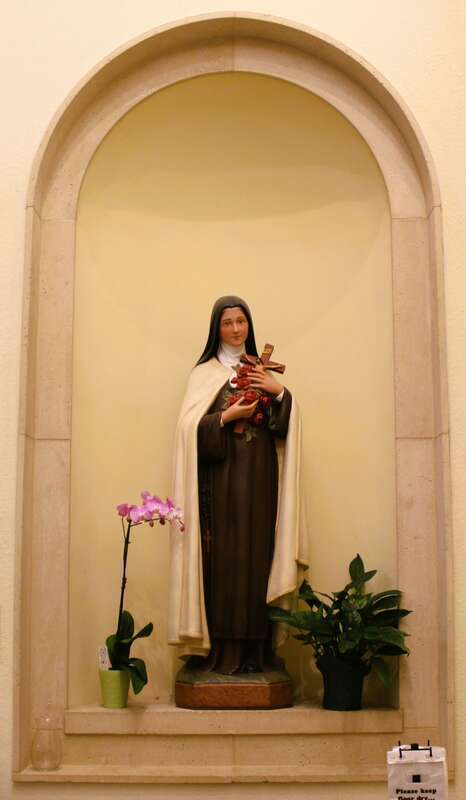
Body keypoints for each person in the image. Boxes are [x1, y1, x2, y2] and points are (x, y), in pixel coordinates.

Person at [168, 296, 308, 674]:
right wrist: (228, 416)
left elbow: (283, 425)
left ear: (249, 325)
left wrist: (277, 391)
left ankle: (258, 653)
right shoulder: (204, 374)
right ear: (217, 329)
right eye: (227, 323)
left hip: (260, 478)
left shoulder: (261, 368)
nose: (234, 329)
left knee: (257, 556)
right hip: (220, 483)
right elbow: (188, 431)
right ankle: (222, 651)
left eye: (240, 321)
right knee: (224, 560)